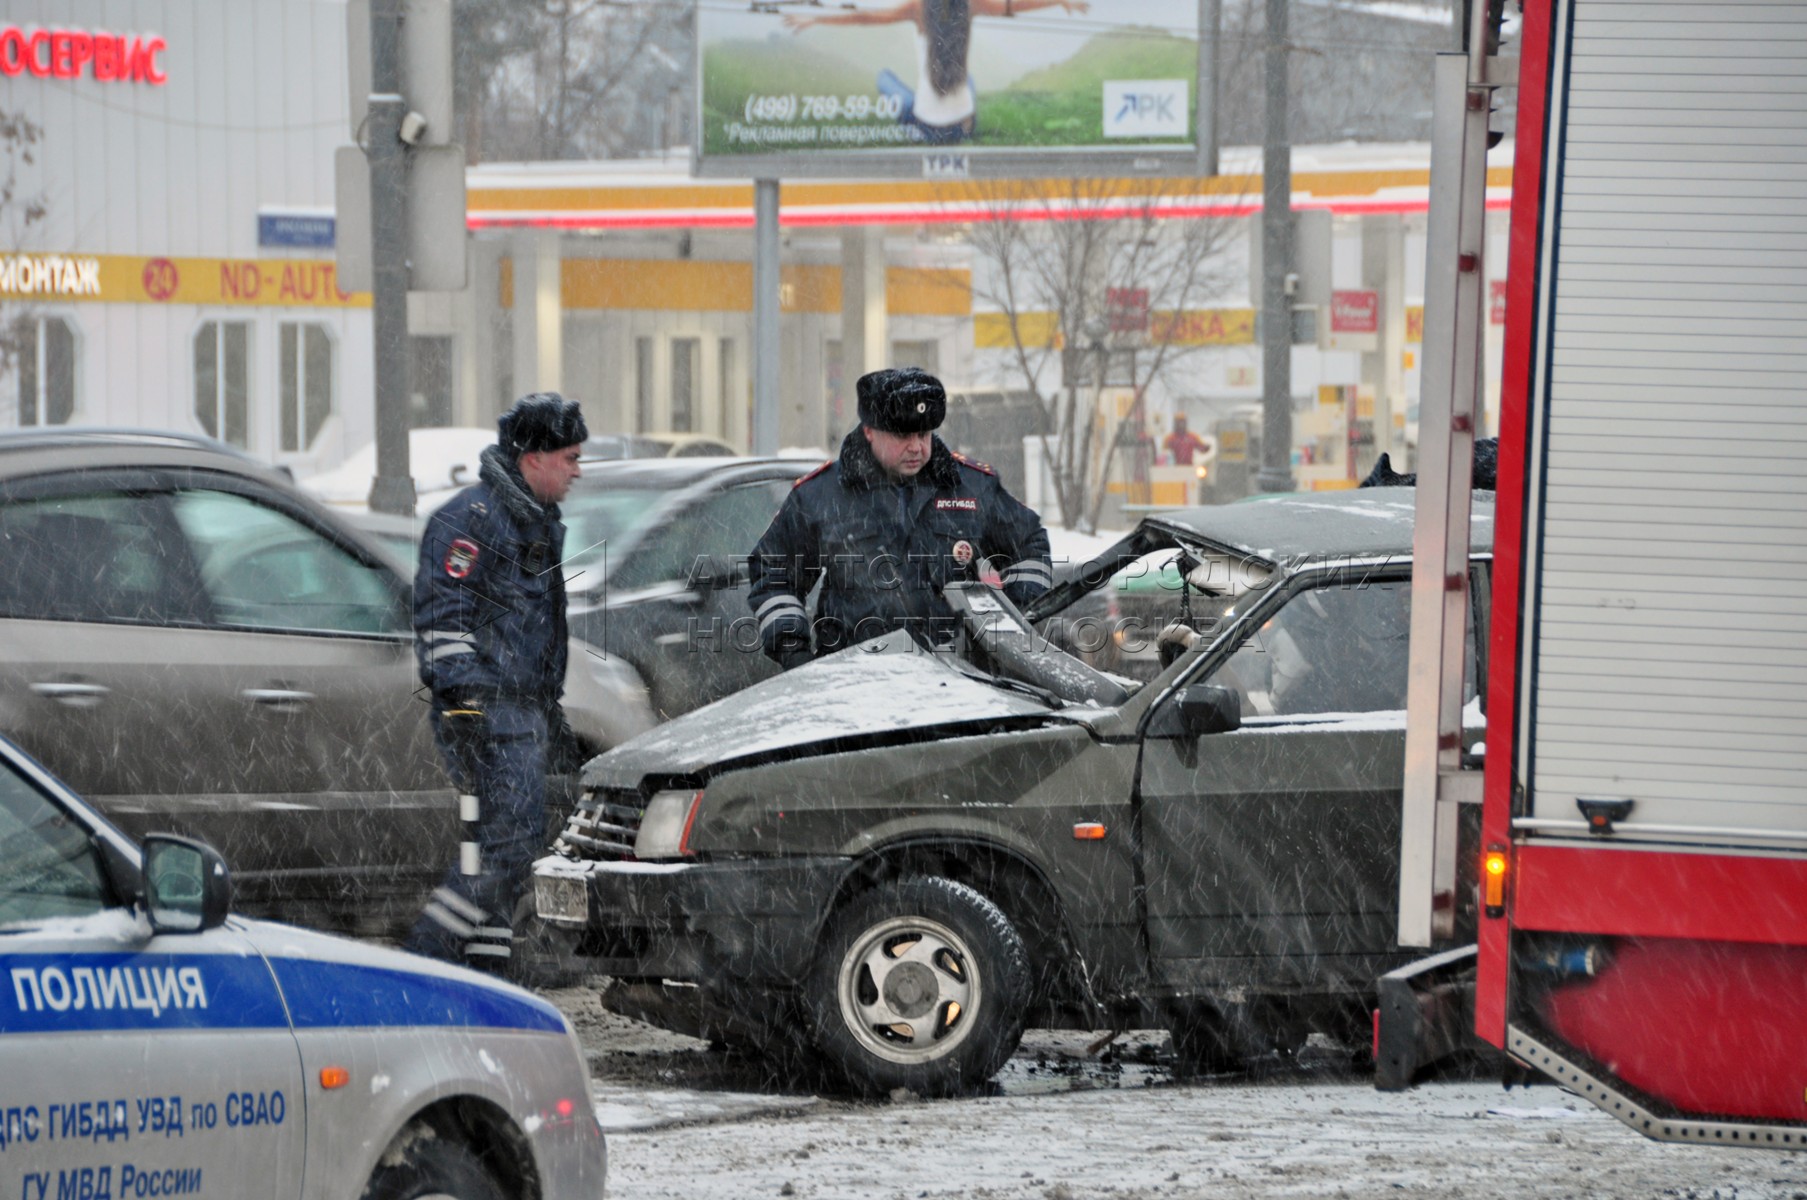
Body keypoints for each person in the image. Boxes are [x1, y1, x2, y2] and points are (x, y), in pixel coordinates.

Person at [406, 393, 587, 972]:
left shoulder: (529, 520)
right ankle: (426, 962)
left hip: (521, 711)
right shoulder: (474, 521)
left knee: (504, 855)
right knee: (505, 853)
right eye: (570, 457)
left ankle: (486, 979)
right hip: (493, 710)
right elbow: (442, 617)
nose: (577, 471)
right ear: (533, 456)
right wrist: (463, 704)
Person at [749, 366, 1053, 667]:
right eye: (902, 435)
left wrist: (1013, 619)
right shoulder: (821, 495)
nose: (916, 447)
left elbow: (1029, 544)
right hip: (854, 682)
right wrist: (794, 653)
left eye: (923, 434)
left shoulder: (970, 487)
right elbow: (774, 572)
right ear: (869, 431)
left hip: (957, 684)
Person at [785, 0, 1090, 146]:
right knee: (965, 80)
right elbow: (1013, 5)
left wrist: (815, 19)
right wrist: (1061, 1)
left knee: (884, 78)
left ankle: (915, 127)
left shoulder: (918, 9)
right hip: (963, 125)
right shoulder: (970, 5)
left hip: (928, 127)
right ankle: (963, 119)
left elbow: (865, 17)